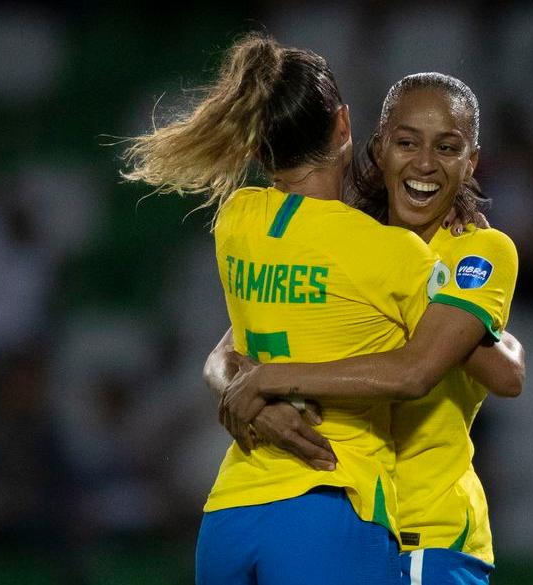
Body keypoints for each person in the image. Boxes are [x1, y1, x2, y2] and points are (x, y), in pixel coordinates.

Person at [125, 34, 478, 585]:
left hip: (230, 514)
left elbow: (227, 352)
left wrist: (252, 391)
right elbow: (428, 368)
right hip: (331, 502)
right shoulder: (388, 253)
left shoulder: (236, 220)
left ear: (260, 149)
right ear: (344, 126)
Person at [211, 73, 522, 585]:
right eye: (406, 143)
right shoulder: (354, 244)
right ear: (378, 148)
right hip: (350, 521)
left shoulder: (477, 251)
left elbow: (502, 375)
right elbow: (227, 349)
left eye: (447, 148)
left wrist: (270, 381)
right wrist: (244, 395)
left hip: (428, 536)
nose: (424, 163)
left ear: (470, 162)